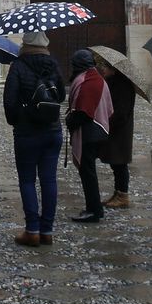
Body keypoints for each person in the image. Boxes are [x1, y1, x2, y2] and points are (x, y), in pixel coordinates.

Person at [3, 30, 65, 247]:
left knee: (27, 180)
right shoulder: (53, 64)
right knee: (49, 180)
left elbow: (9, 101)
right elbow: (61, 96)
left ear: (25, 43)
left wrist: (17, 120)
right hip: (52, 130)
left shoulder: (18, 66)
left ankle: (32, 230)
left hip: (27, 132)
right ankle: (47, 230)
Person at [65, 49, 112, 223]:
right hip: (95, 131)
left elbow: (84, 112)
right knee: (88, 172)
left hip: (90, 132)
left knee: (88, 173)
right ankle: (94, 208)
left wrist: (70, 120)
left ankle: (94, 210)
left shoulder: (89, 81)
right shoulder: (95, 77)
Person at [98, 59, 136, 210]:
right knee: (116, 163)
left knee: (120, 163)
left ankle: (122, 195)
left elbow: (120, 112)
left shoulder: (123, 85)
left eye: (105, 67)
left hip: (120, 130)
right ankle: (118, 193)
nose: (102, 69)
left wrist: (107, 122)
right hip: (116, 128)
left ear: (113, 69)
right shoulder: (113, 82)